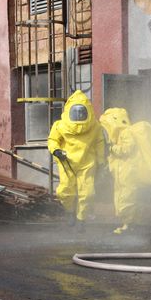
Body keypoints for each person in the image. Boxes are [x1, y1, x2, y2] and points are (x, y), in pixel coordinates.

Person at [47, 90, 105, 230]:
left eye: (81, 112)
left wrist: (101, 161)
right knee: (65, 191)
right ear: (69, 111)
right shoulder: (60, 125)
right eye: (76, 112)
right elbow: (53, 140)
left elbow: (99, 143)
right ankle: (70, 212)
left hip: (87, 163)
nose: (79, 115)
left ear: (88, 111)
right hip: (67, 162)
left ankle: (81, 219)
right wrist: (56, 151)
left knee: (87, 193)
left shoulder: (95, 126)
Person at [99, 108, 140, 234]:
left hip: (128, 170)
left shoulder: (126, 132)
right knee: (122, 196)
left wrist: (112, 148)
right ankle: (126, 223)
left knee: (127, 197)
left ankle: (129, 224)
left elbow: (128, 149)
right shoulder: (119, 135)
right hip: (121, 171)